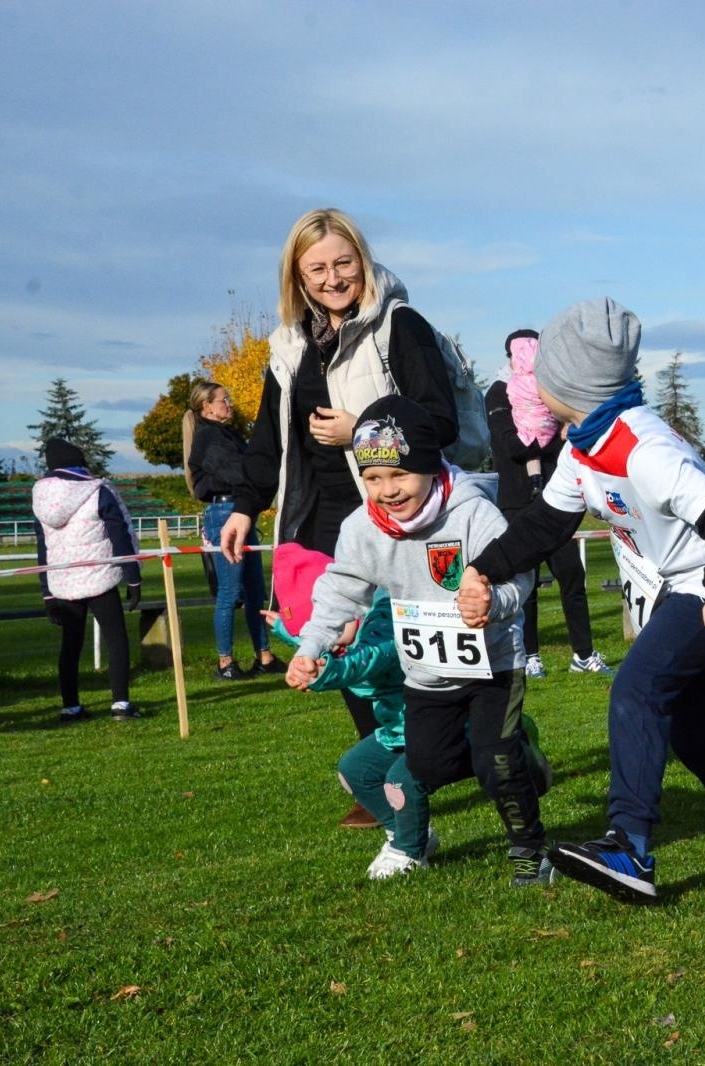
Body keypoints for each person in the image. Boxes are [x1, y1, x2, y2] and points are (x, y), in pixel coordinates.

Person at [458, 297, 705, 904]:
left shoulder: (643, 447)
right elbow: (545, 525)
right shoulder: (583, 446)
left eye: (544, 377)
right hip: (679, 584)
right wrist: (483, 568)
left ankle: (630, 846)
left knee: (636, 689)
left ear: (569, 384)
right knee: (695, 732)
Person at [219, 207, 458, 829]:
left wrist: (366, 431)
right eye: (317, 269)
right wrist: (244, 506)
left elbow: (440, 420)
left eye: (343, 263)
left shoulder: (399, 327)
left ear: (364, 261)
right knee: (340, 646)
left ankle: (448, 756)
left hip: (393, 514)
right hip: (319, 521)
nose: (333, 279)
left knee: (404, 650)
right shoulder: (287, 347)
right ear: (296, 277)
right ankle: (381, 767)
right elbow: (268, 442)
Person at [287, 395, 551, 885]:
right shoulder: (362, 528)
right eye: (373, 478)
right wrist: (309, 649)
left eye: (400, 475)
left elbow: (520, 575)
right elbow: (339, 592)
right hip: (425, 673)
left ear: (430, 466)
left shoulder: (473, 514)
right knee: (428, 764)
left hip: (493, 664)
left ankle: (530, 852)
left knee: (495, 763)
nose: (387, 490)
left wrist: (493, 602)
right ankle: (517, 750)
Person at [265, 545, 552, 881]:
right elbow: (325, 644)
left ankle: (409, 850)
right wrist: (296, 642)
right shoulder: (334, 639)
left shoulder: (386, 620)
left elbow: (370, 661)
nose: (326, 645)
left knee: (401, 779)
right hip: (398, 727)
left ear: (348, 606)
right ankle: (407, 832)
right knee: (355, 769)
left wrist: (322, 673)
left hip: (446, 722)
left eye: (328, 630)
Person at [484, 327, 610, 679]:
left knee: (572, 574)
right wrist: (551, 437)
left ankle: (583, 654)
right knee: (527, 582)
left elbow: (569, 438)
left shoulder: (548, 390)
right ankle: (530, 655)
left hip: (554, 499)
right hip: (515, 500)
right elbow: (510, 446)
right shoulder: (498, 393)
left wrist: (550, 438)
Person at [32, 438, 144, 723]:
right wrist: (133, 578)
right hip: (100, 577)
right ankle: (120, 703)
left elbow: (42, 546)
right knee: (116, 639)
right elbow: (120, 534)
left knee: (70, 644)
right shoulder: (98, 490)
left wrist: (47, 593)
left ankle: (70, 706)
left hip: (62, 581)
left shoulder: (40, 496)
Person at [182, 380, 285, 680]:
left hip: (240, 509)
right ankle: (225, 662)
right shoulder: (209, 437)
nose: (230, 404)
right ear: (207, 407)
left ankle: (264, 656)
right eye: (224, 400)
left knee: (255, 589)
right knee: (229, 591)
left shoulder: (227, 434)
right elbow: (239, 471)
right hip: (225, 512)